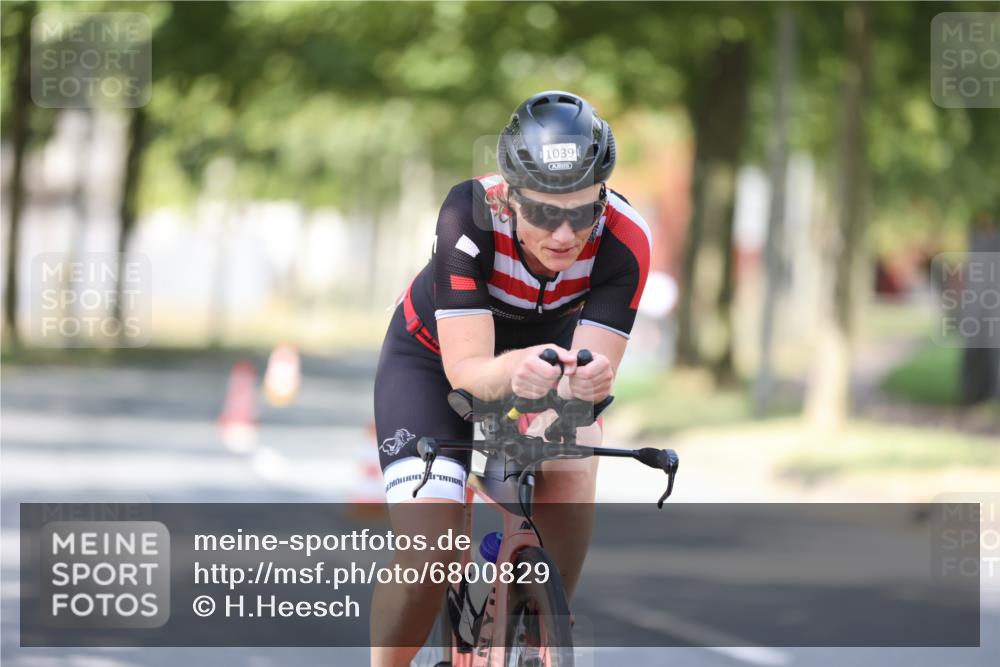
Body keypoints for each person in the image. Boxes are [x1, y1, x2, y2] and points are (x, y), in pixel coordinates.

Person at [370, 90, 651, 666]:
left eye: (583, 212)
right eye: (545, 212)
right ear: (510, 197)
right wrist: (515, 373)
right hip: (433, 365)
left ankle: (544, 630)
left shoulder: (625, 240)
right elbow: (468, 371)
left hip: (541, 368)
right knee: (432, 555)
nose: (565, 235)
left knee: (575, 458)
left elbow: (586, 379)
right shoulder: (467, 215)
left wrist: (588, 386)